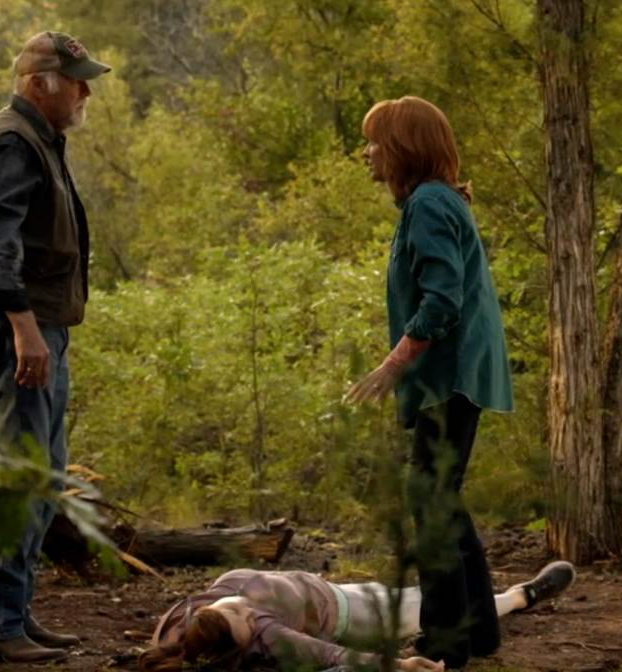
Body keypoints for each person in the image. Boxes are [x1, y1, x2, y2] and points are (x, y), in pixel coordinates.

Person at [0, 31, 111, 663]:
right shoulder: (14, 142)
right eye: (77, 82)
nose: (86, 93)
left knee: (43, 475)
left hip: (38, 328)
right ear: (41, 83)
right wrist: (23, 325)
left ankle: (12, 612)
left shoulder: (38, 138)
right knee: (20, 475)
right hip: (21, 329)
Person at [344, 96, 515, 669]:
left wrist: (392, 365)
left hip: (452, 376)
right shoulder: (430, 202)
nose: (367, 152)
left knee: (430, 498)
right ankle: (478, 631)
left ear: (403, 148)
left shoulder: (429, 204)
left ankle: (446, 643)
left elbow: (442, 300)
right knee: (441, 496)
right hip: (453, 376)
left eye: (375, 141)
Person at [136, 561, 575, 671]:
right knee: (438, 606)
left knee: (421, 595)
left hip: (335, 590)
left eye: (241, 613)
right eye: (248, 625)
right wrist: (400, 665)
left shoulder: (184, 620)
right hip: (353, 618)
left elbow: (160, 653)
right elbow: (333, 655)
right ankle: (521, 596)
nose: (250, 613)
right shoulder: (266, 634)